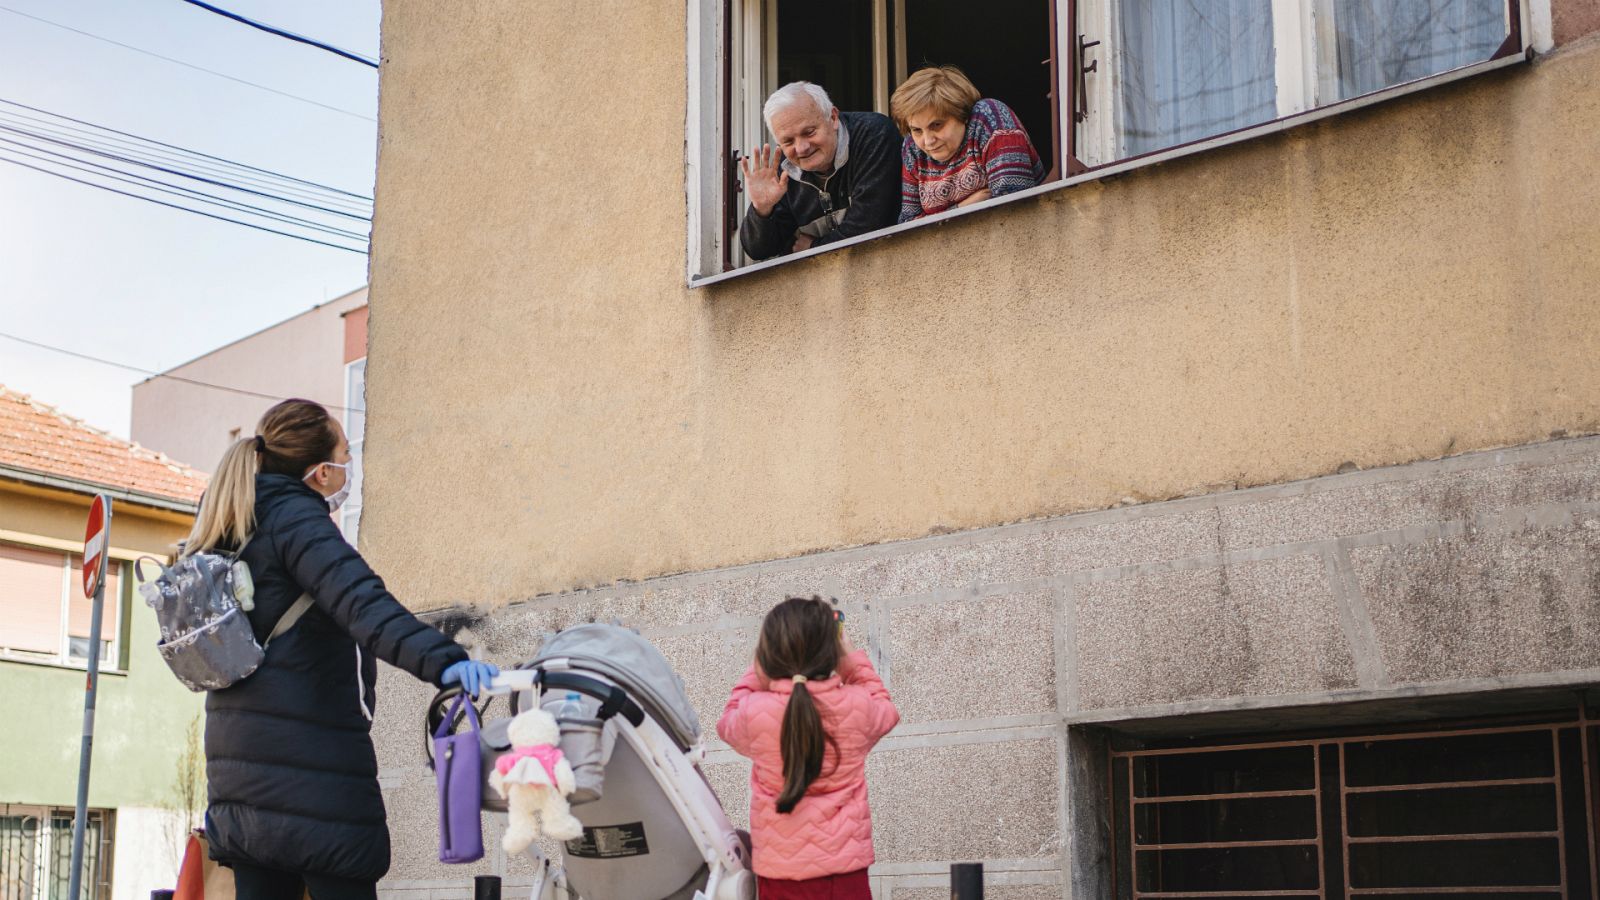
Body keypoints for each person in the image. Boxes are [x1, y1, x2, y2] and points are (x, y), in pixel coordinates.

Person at [189, 399, 498, 900]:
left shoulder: (235, 520)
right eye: (345, 455)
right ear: (320, 472)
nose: (348, 468)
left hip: (238, 765)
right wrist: (447, 663)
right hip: (312, 764)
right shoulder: (296, 520)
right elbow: (363, 604)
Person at [716, 596, 900, 900]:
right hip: (845, 876)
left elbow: (727, 721)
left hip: (780, 878)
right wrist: (850, 657)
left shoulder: (754, 713)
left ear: (767, 655)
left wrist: (760, 668)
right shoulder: (856, 705)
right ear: (832, 653)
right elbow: (885, 706)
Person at [739, 82, 902, 261]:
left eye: (809, 132)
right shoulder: (784, 173)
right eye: (788, 141)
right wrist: (762, 210)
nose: (801, 148)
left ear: (832, 118)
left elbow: (868, 229)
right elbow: (759, 250)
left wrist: (812, 248)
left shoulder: (873, 134)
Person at [890, 66, 1045, 223]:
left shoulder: (988, 117)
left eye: (937, 125)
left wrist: (939, 219)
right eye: (917, 130)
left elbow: (1013, 202)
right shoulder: (912, 147)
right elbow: (909, 224)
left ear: (962, 114)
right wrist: (965, 206)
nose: (928, 140)